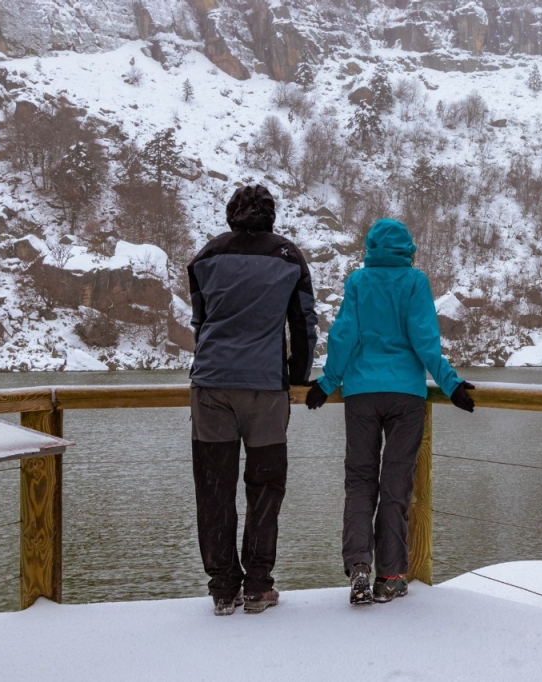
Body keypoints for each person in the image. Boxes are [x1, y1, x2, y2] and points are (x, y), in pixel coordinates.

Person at [305, 218, 474, 605]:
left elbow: (344, 335)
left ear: (370, 248)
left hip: (362, 394)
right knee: (396, 485)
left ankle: (359, 565)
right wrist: (451, 385)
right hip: (405, 397)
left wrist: (328, 382)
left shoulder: (358, 282)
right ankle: (392, 576)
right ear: (408, 251)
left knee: (360, 482)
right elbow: (425, 341)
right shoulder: (414, 283)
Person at [187, 184, 319, 616]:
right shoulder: (287, 257)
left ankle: (223, 588)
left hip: (211, 386)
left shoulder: (206, 257)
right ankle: (258, 586)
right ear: (271, 215)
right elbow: (303, 325)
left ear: (231, 215)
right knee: (265, 487)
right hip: (264, 388)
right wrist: (295, 380)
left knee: (214, 488)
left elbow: (200, 321)